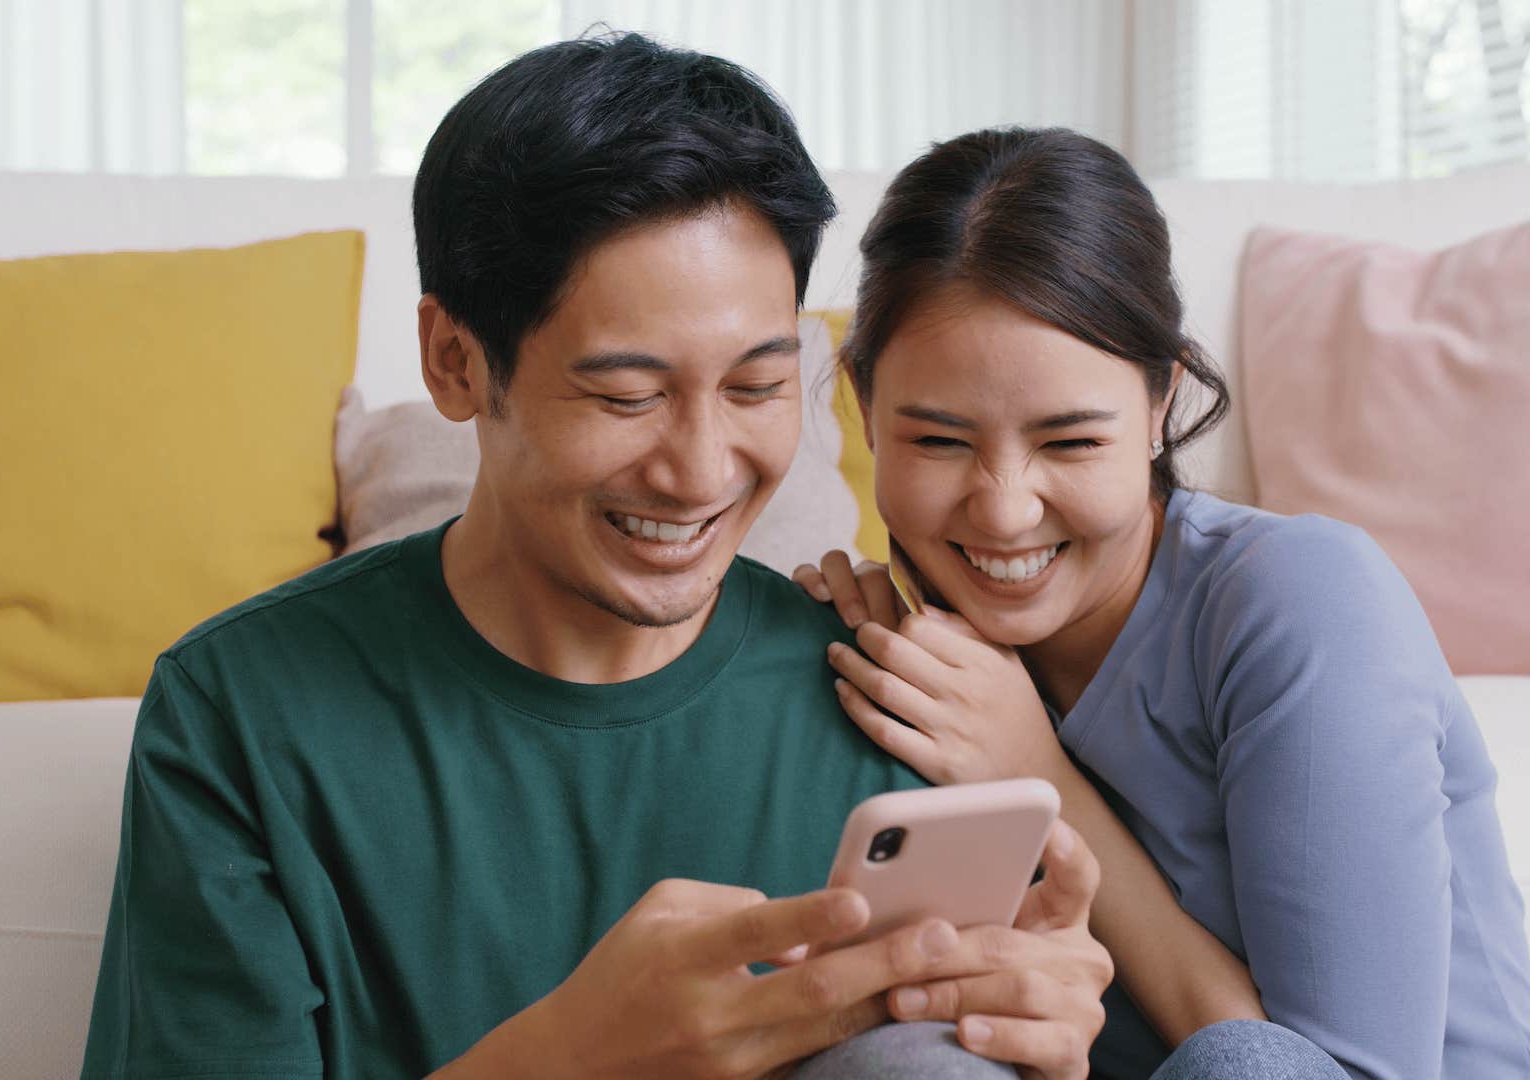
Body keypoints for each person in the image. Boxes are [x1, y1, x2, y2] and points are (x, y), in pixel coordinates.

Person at [78, 36, 1115, 1080]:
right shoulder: (240, 716)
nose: (701, 472)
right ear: (455, 361)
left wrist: (1035, 1042)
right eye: (628, 396)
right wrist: (566, 1060)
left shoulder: (893, 695)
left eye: (757, 387)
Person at [795, 127, 1530, 1079]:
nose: (1002, 510)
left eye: (1069, 443)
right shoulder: (916, 648)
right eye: (940, 443)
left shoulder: (1300, 600)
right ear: (864, 410)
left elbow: (1317, 1068)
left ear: (1160, 405)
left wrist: (1037, 775)